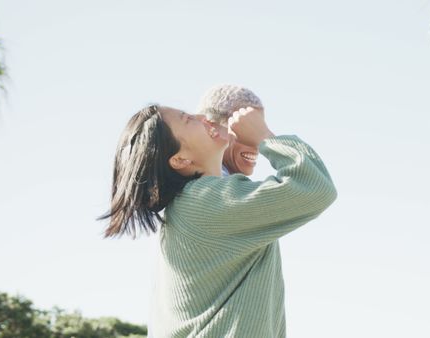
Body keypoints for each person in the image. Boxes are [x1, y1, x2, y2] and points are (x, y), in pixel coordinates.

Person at [97, 104, 337, 337]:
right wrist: (265, 137)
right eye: (188, 119)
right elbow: (314, 188)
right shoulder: (204, 203)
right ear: (180, 160)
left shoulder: (190, 206)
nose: (202, 116)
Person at [197, 84, 264, 177]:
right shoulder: (208, 179)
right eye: (246, 130)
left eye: (259, 131)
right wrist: (270, 140)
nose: (258, 144)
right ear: (210, 128)